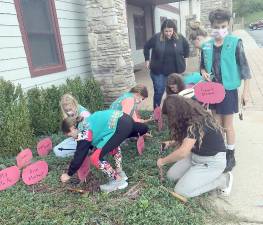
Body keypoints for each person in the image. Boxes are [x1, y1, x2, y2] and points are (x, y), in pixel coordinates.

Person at [200, 9, 251, 172]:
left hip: (228, 90)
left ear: (228, 25)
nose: (220, 29)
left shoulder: (236, 42)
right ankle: (220, 151)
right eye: (216, 27)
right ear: (211, 26)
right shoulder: (206, 45)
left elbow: (245, 69)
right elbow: (202, 66)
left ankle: (230, 154)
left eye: (223, 26)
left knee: (227, 125)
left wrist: (245, 92)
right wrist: (203, 72)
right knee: (216, 124)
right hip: (212, 90)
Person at [157, 95, 233, 198]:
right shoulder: (191, 115)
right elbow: (190, 139)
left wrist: (162, 161)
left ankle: (222, 180)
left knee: (181, 191)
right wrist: (171, 143)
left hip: (211, 162)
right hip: (194, 156)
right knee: (170, 177)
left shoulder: (196, 124)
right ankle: (194, 175)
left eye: (170, 116)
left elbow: (183, 152)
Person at [60, 109, 149, 193]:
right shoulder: (85, 122)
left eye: (70, 135)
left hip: (120, 126)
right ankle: (119, 171)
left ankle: (118, 181)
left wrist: (69, 174)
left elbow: (79, 155)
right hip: (123, 118)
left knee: (95, 158)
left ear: (72, 128)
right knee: (112, 144)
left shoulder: (83, 132)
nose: (73, 138)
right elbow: (94, 143)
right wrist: (144, 129)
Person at [144, 19, 190, 109]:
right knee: (159, 91)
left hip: (174, 72)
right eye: (166, 31)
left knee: (175, 92)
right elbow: (146, 47)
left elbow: (186, 47)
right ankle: (157, 113)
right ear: (162, 30)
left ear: (174, 30)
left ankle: (173, 111)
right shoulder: (156, 38)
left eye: (170, 31)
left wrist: (186, 60)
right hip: (158, 72)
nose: (168, 33)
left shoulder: (179, 38)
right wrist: (147, 60)